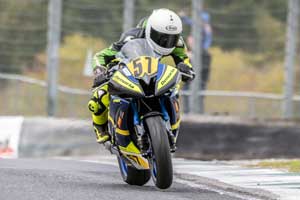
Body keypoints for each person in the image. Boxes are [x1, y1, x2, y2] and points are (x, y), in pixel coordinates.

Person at [88, 9, 195, 145]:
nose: (167, 42)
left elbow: (183, 59)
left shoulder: (177, 42)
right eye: (162, 37)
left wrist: (186, 68)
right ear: (151, 31)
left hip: (154, 70)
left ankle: (171, 124)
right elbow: (101, 56)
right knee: (100, 94)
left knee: (173, 88)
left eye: (171, 38)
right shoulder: (130, 37)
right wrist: (99, 71)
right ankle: (100, 127)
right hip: (126, 69)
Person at [180, 10, 213, 90]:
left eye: (203, 21)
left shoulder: (207, 29)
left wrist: (201, 50)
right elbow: (188, 21)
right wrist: (183, 16)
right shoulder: (197, 25)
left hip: (201, 53)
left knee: (199, 82)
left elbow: (208, 41)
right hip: (194, 52)